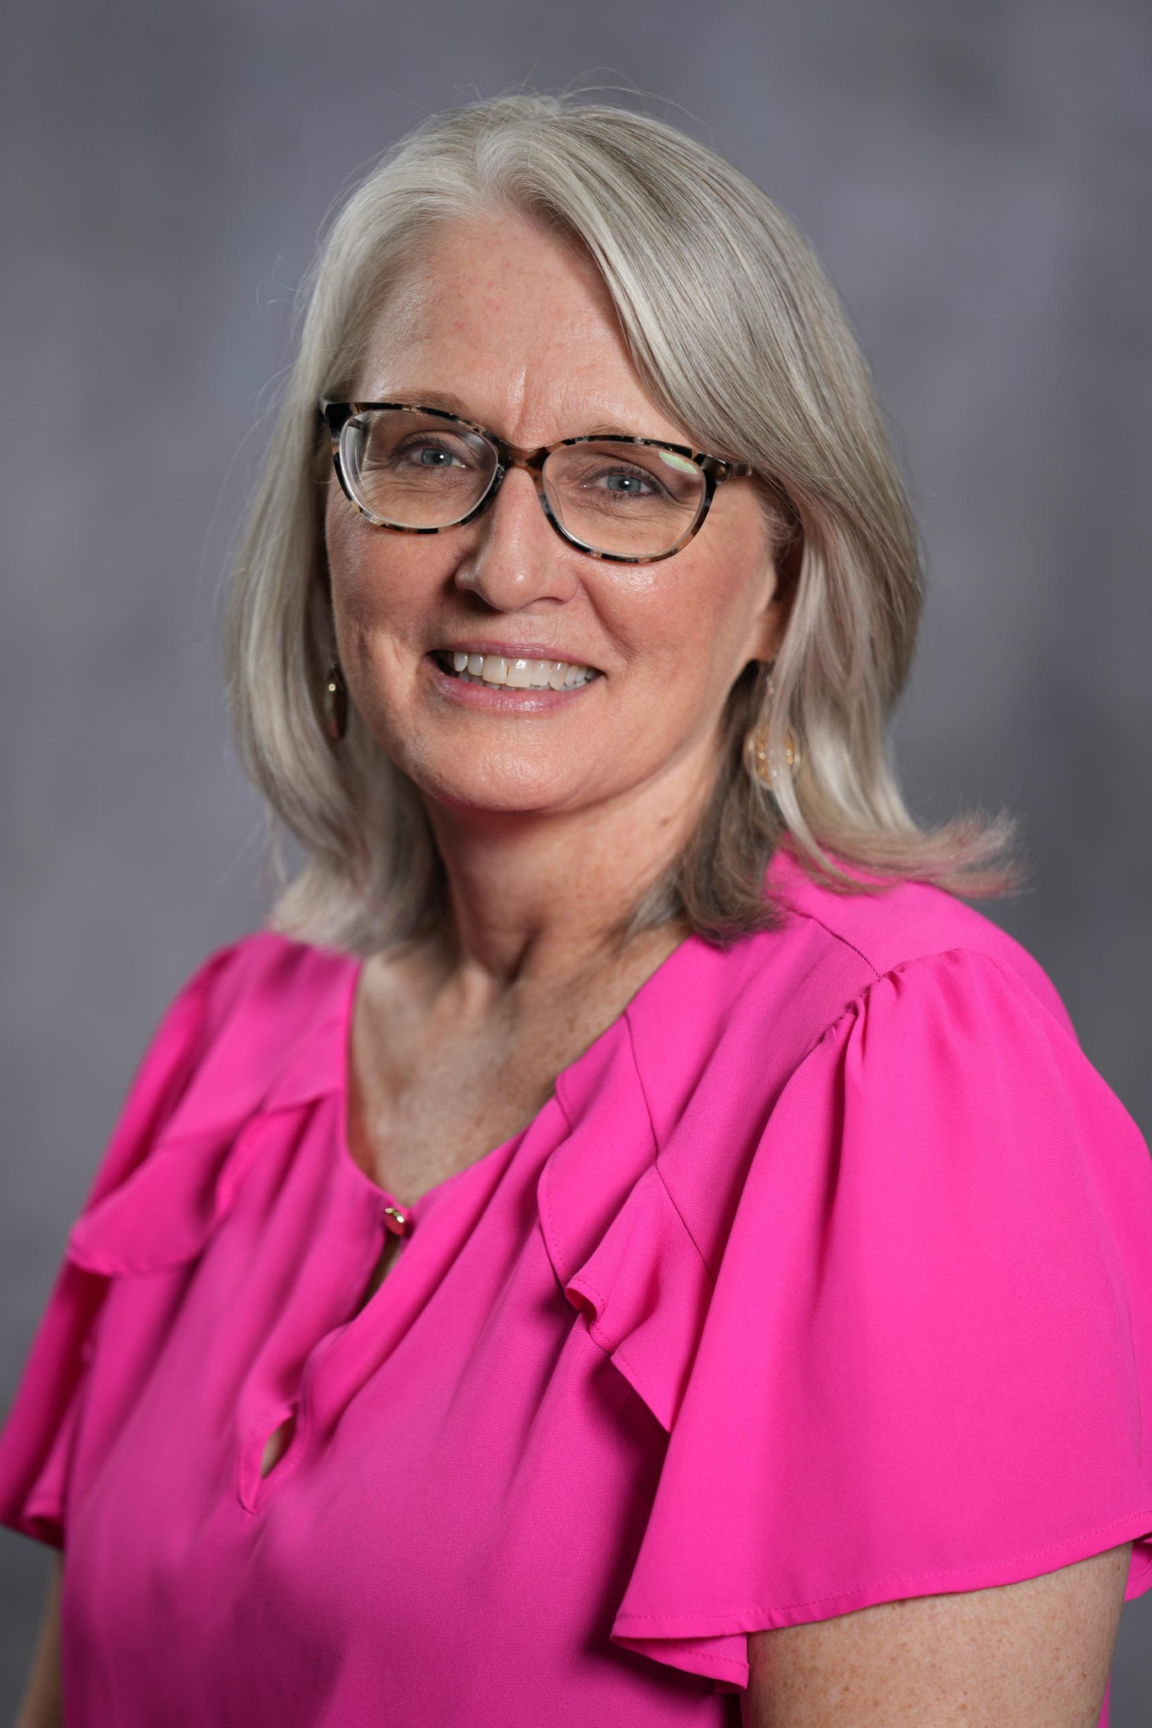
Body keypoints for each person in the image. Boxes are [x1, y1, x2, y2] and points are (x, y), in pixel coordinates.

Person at [3, 92, 1151, 1728]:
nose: (504, 563)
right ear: (328, 511)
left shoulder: (904, 1073)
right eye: (428, 451)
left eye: (623, 478)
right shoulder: (233, 1048)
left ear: (782, 578)